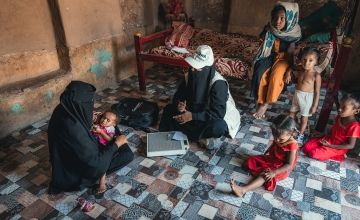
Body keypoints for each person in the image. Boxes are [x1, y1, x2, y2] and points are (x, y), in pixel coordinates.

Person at [48, 81, 134, 196]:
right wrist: (116, 144)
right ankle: (97, 179)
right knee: (127, 155)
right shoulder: (75, 130)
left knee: (110, 124)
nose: (90, 105)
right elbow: (95, 163)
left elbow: (81, 124)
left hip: (68, 157)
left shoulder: (63, 108)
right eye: (88, 103)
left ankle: (113, 131)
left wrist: (89, 118)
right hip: (75, 172)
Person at [159, 45, 241, 149]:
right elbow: (179, 96)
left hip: (211, 116)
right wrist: (180, 105)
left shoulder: (218, 84)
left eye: (198, 69)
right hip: (191, 112)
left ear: (207, 68)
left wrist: (193, 116)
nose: (193, 70)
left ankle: (189, 134)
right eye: (192, 67)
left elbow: (217, 114)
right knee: (168, 110)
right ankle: (201, 138)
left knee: (219, 127)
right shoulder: (189, 75)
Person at [251, 2, 301, 119]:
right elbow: (262, 40)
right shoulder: (269, 27)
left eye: (282, 18)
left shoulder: (294, 32)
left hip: (284, 58)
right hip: (269, 55)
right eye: (275, 18)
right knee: (259, 72)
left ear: (290, 19)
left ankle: (266, 103)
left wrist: (290, 68)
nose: (278, 21)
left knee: (276, 76)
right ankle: (260, 100)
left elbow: (293, 54)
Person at [231, 115, 298, 196]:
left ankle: (243, 190)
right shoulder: (279, 137)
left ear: (291, 134)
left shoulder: (292, 145)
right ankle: (258, 170)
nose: (277, 140)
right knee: (250, 161)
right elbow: (274, 144)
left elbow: (289, 165)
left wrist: (274, 172)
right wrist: (268, 151)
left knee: (265, 175)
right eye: (274, 136)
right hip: (272, 159)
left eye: (281, 139)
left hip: (280, 168)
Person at [303, 93, 360, 161]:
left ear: (356, 111)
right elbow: (334, 131)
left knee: (314, 154)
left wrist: (330, 146)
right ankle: (327, 151)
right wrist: (323, 135)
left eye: (344, 108)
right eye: (340, 106)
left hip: (338, 147)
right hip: (329, 139)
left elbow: (351, 145)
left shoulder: (354, 126)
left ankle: (338, 155)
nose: (339, 109)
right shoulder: (339, 117)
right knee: (307, 147)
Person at [289, 47, 321, 144]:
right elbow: (292, 67)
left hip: (307, 98)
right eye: (304, 59)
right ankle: (291, 131)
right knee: (291, 114)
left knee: (304, 118)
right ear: (301, 59)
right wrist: (287, 73)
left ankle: (300, 135)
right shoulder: (300, 69)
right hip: (297, 95)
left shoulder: (316, 75)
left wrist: (315, 106)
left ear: (316, 62)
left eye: (311, 60)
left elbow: (317, 92)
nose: (306, 63)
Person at [91, 110, 119, 197]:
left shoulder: (110, 129)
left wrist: (101, 132)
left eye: (108, 120)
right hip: (93, 144)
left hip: (103, 147)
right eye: (103, 118)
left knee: (103, 163)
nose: (104, 121)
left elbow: (110, 140)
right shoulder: (98, 124)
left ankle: (102, 182)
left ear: (113, 124)